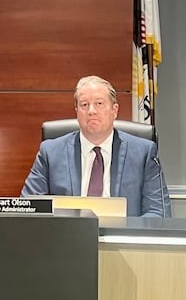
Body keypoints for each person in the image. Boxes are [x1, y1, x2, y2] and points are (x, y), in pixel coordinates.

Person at [20, 75, 170, 217]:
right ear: (77, 112)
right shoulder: (50, 153)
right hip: (67, 239)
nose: (91, 111)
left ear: (114, 110)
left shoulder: (144, 153)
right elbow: (30, 207)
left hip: (121, 240)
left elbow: (158, 212)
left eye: (99, 103)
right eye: (84, 105)